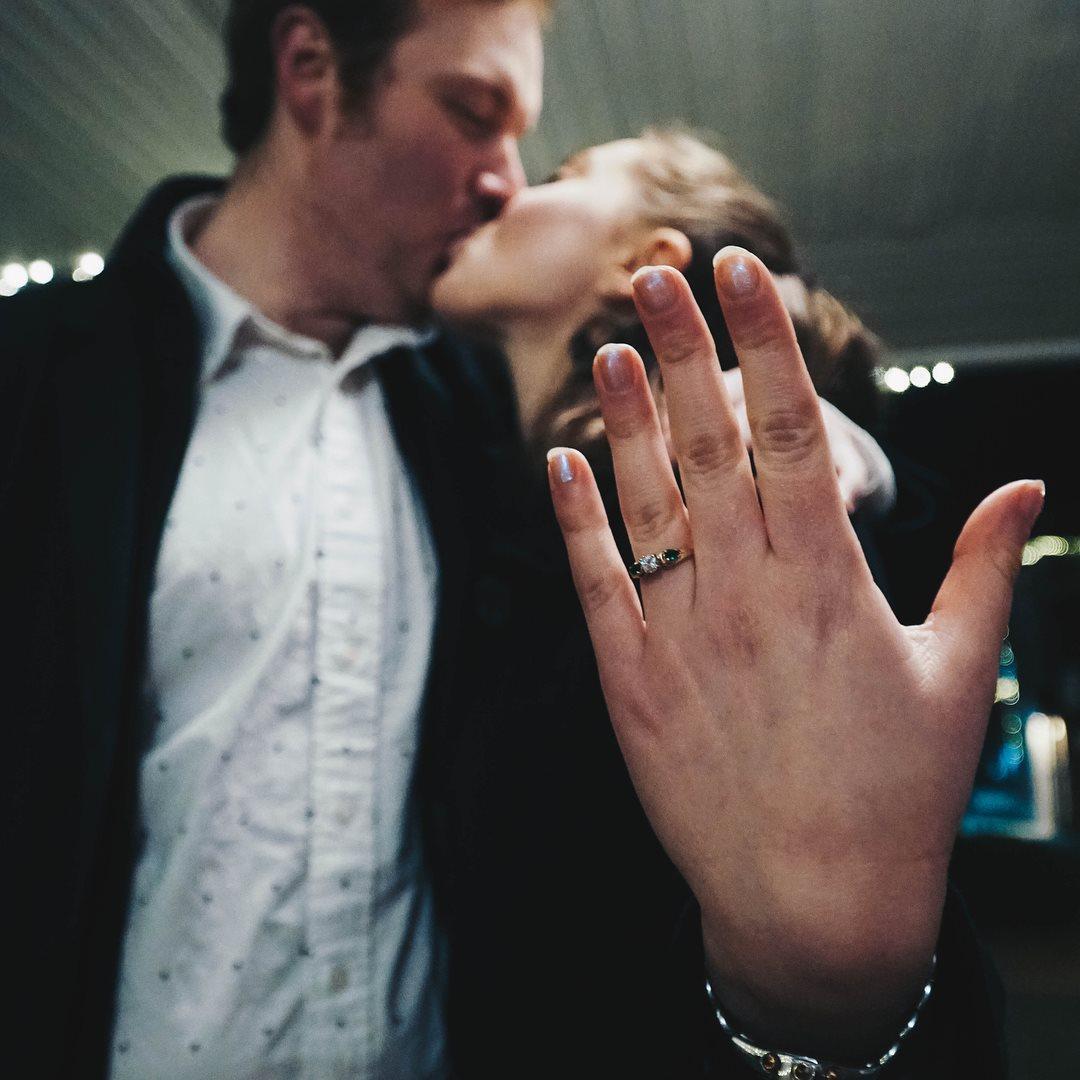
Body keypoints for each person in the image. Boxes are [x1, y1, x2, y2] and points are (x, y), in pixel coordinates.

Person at [0, 1, 1036, 1077]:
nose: (506, 175)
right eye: (473, 109)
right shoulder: (44, 377)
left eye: (534, 146)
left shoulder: (465, 419)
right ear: (310, 68)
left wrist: (843, 450)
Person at [431, 126, 897, 534]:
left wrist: (846, 457)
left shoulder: (723, 496)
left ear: (643, 264)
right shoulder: (439, 411)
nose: (508, 191)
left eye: (562, 176)